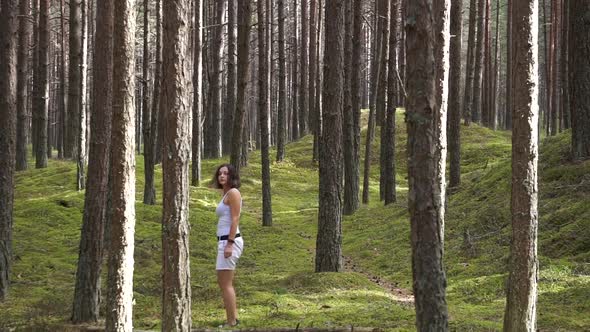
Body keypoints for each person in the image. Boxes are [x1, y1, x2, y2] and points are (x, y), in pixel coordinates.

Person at [212, 163, 244, 328]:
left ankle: (232, 322)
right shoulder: (226, 194)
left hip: (229, 241)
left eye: (225, 173)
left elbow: (235, 219)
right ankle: (233, 318)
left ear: (232, 176)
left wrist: (230, 244)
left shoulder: (233, 193)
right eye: (220, 174)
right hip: (223, 241)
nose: (222, 176)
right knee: (224, 282)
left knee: (225, 283)